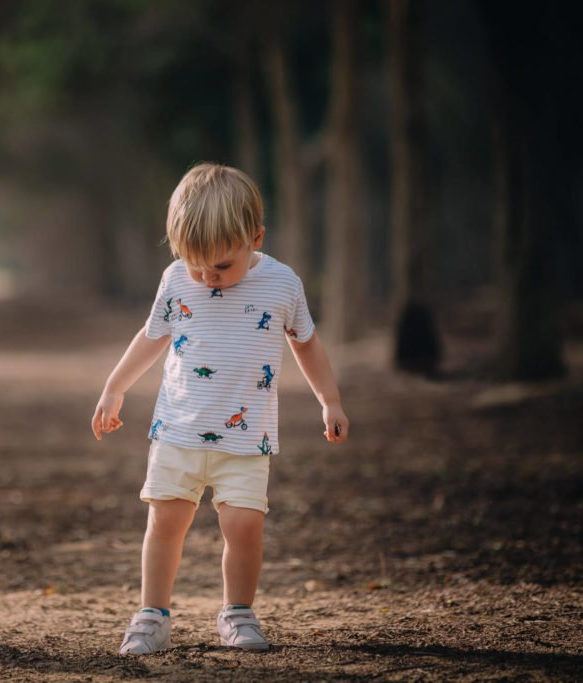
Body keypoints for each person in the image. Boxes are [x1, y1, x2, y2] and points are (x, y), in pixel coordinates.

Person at [91, 162, 349, 654]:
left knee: (245, 527)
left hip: (247, 438)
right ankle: (152, 614)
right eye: (196, 266)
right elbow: (151, 338)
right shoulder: (175, 280)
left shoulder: (282, 284)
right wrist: (114, 387)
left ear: (255, 237)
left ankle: (238, 612)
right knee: (165, 523)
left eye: (221, 267)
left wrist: (329, 400)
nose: (207, 277)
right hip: (178, 432)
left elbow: (307, 344)